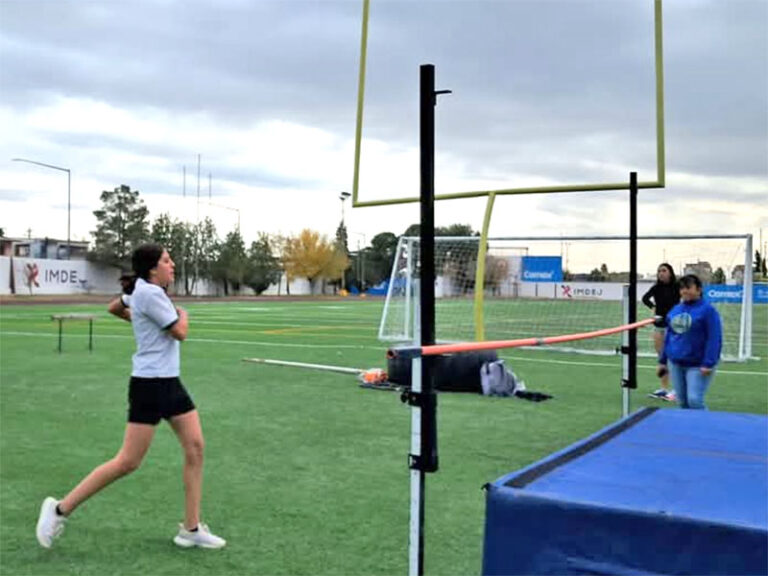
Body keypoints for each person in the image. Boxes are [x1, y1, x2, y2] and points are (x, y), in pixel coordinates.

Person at [36, 244, 225, 549]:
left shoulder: (142, 291)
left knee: (195, 447)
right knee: (128, 461)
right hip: (150, 386)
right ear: (152, 268)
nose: (172, 264)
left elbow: (114, 307)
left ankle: (190, 529)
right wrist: (183, 314)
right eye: (167, 260)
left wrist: (141, 322)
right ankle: (59, 509)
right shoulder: (150, 293)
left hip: (169, 383)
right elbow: (180, 332)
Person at [656, 274, 722, 410]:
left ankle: (705, 429)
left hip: (698, 365)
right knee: (682, 402)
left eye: (688, 287)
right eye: (682, 288)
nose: (684, 291)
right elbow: (669, 336)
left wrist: (708, 363)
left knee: (694, 400)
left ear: (699, 290)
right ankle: (688, 430)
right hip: (676, 364)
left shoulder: (708, 311)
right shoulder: (675, 310)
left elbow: (714, 338)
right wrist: (663, 361)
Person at [642, 263, 678, 401]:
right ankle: (664, 389)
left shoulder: (677, 287)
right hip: (659, 326)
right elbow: (645, 298)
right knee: (662, 358)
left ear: (670, 272)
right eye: (659, 271)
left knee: (674, 357)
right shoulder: (656, 288)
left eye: (664, 270)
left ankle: (677, 390)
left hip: (673, 327)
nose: (661, 273)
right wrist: (653, 307)